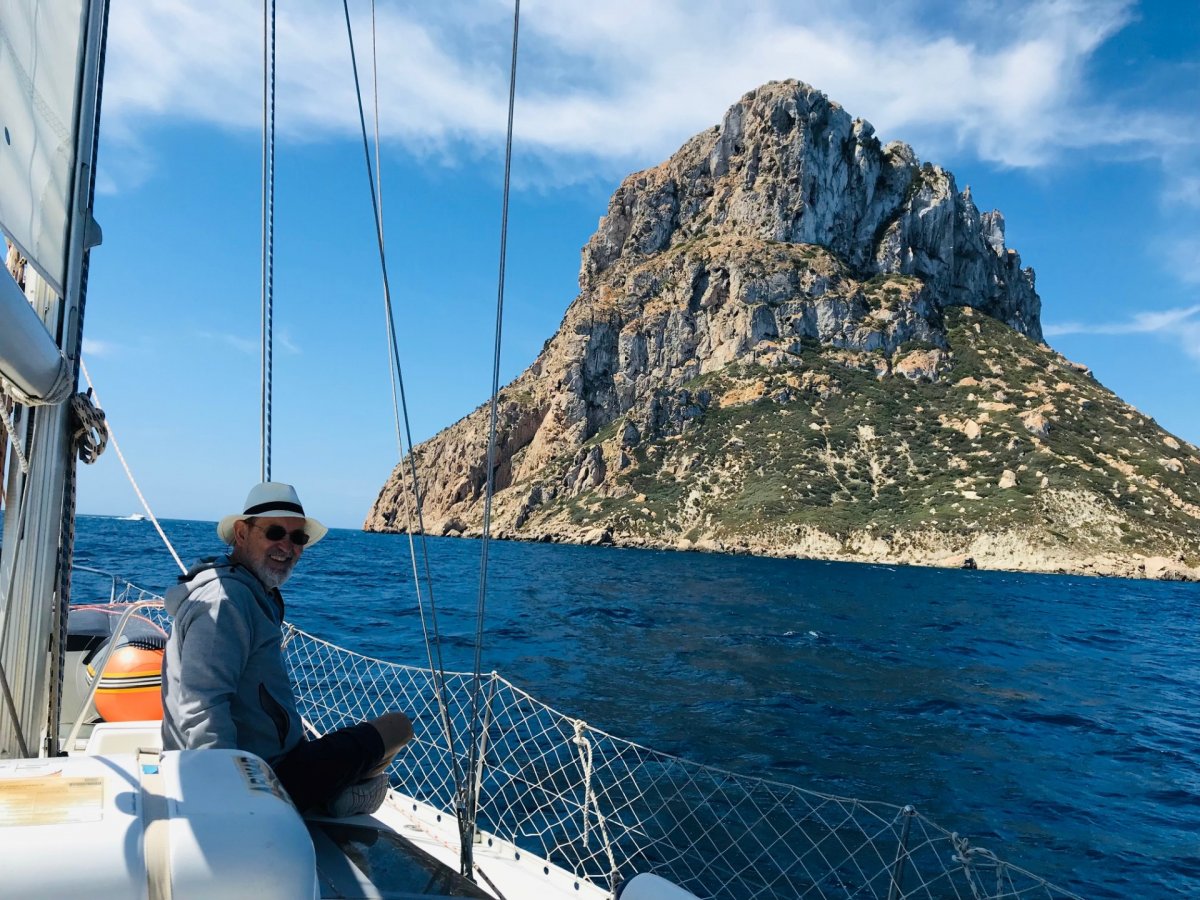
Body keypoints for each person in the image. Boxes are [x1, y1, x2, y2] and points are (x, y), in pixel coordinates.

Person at [161, 481, 413, 815]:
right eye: (275, 532)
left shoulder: (250, 593)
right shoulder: (225, 602)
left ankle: (329, 796)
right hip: (259, 779)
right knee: (398, 727)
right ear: (241, 533)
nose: (287, 545)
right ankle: (329, 801)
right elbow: (201, 707)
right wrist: (229, 803)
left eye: (298, 538)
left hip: (271, 762)